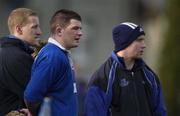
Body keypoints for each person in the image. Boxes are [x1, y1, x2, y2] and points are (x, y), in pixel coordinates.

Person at [85, 22, 167, 116]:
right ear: (124, 43)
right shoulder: (102, 78)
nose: (144, 45)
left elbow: (160, 111)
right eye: (139, 40)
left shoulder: (149, 75)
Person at [24, 9, 82, 116]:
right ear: (59, 31)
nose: (80, 33)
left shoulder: (60, 54)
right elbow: (31, 95)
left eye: (80, 29)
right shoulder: (53, 57)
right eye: (75, 28)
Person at [0, 8, 42, 116]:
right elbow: (38, 96)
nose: (39, 32)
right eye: (34, 27)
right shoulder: (18, 57)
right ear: (19, 29)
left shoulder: (5, 51)